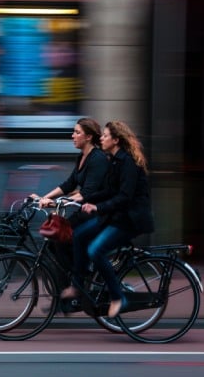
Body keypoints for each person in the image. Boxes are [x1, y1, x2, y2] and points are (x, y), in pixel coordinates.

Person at [61, 120, 155, 319]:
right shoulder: (113, 160)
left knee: (96, 250)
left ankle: (118, 297)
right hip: (115, 216)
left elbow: (124, 197)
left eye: (104, 136)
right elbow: (108, 190)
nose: (100, 138)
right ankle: (78, 286)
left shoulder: (128, 162)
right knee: (78, 235)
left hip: (130, 220)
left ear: (116, 140)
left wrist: (97, 207)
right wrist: (84, 198)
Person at [31, 117, 108, 226]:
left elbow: (86, 193)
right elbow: (69, 184)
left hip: (97, 213)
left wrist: (56, 203)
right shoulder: (81, 156)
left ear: (88, 137)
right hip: (84, 210)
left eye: (77, 132)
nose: (73, 136)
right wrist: (43, 198)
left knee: (65, 235)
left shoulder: (97, 158)